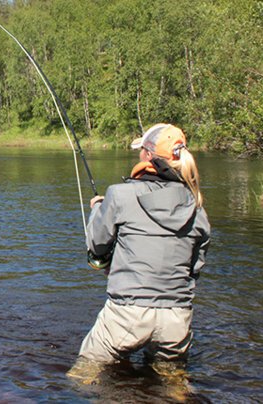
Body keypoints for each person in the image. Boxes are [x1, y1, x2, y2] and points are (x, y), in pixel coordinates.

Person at [67, 123, 211, 389]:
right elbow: (194, 268)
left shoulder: (120, 195)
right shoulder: (197, 208)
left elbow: (97, 247)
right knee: (173, 386)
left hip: (126, 315)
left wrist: (98, 209)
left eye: (140, 151)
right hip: (177, 320)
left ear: (147, 154)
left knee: (81, 378)